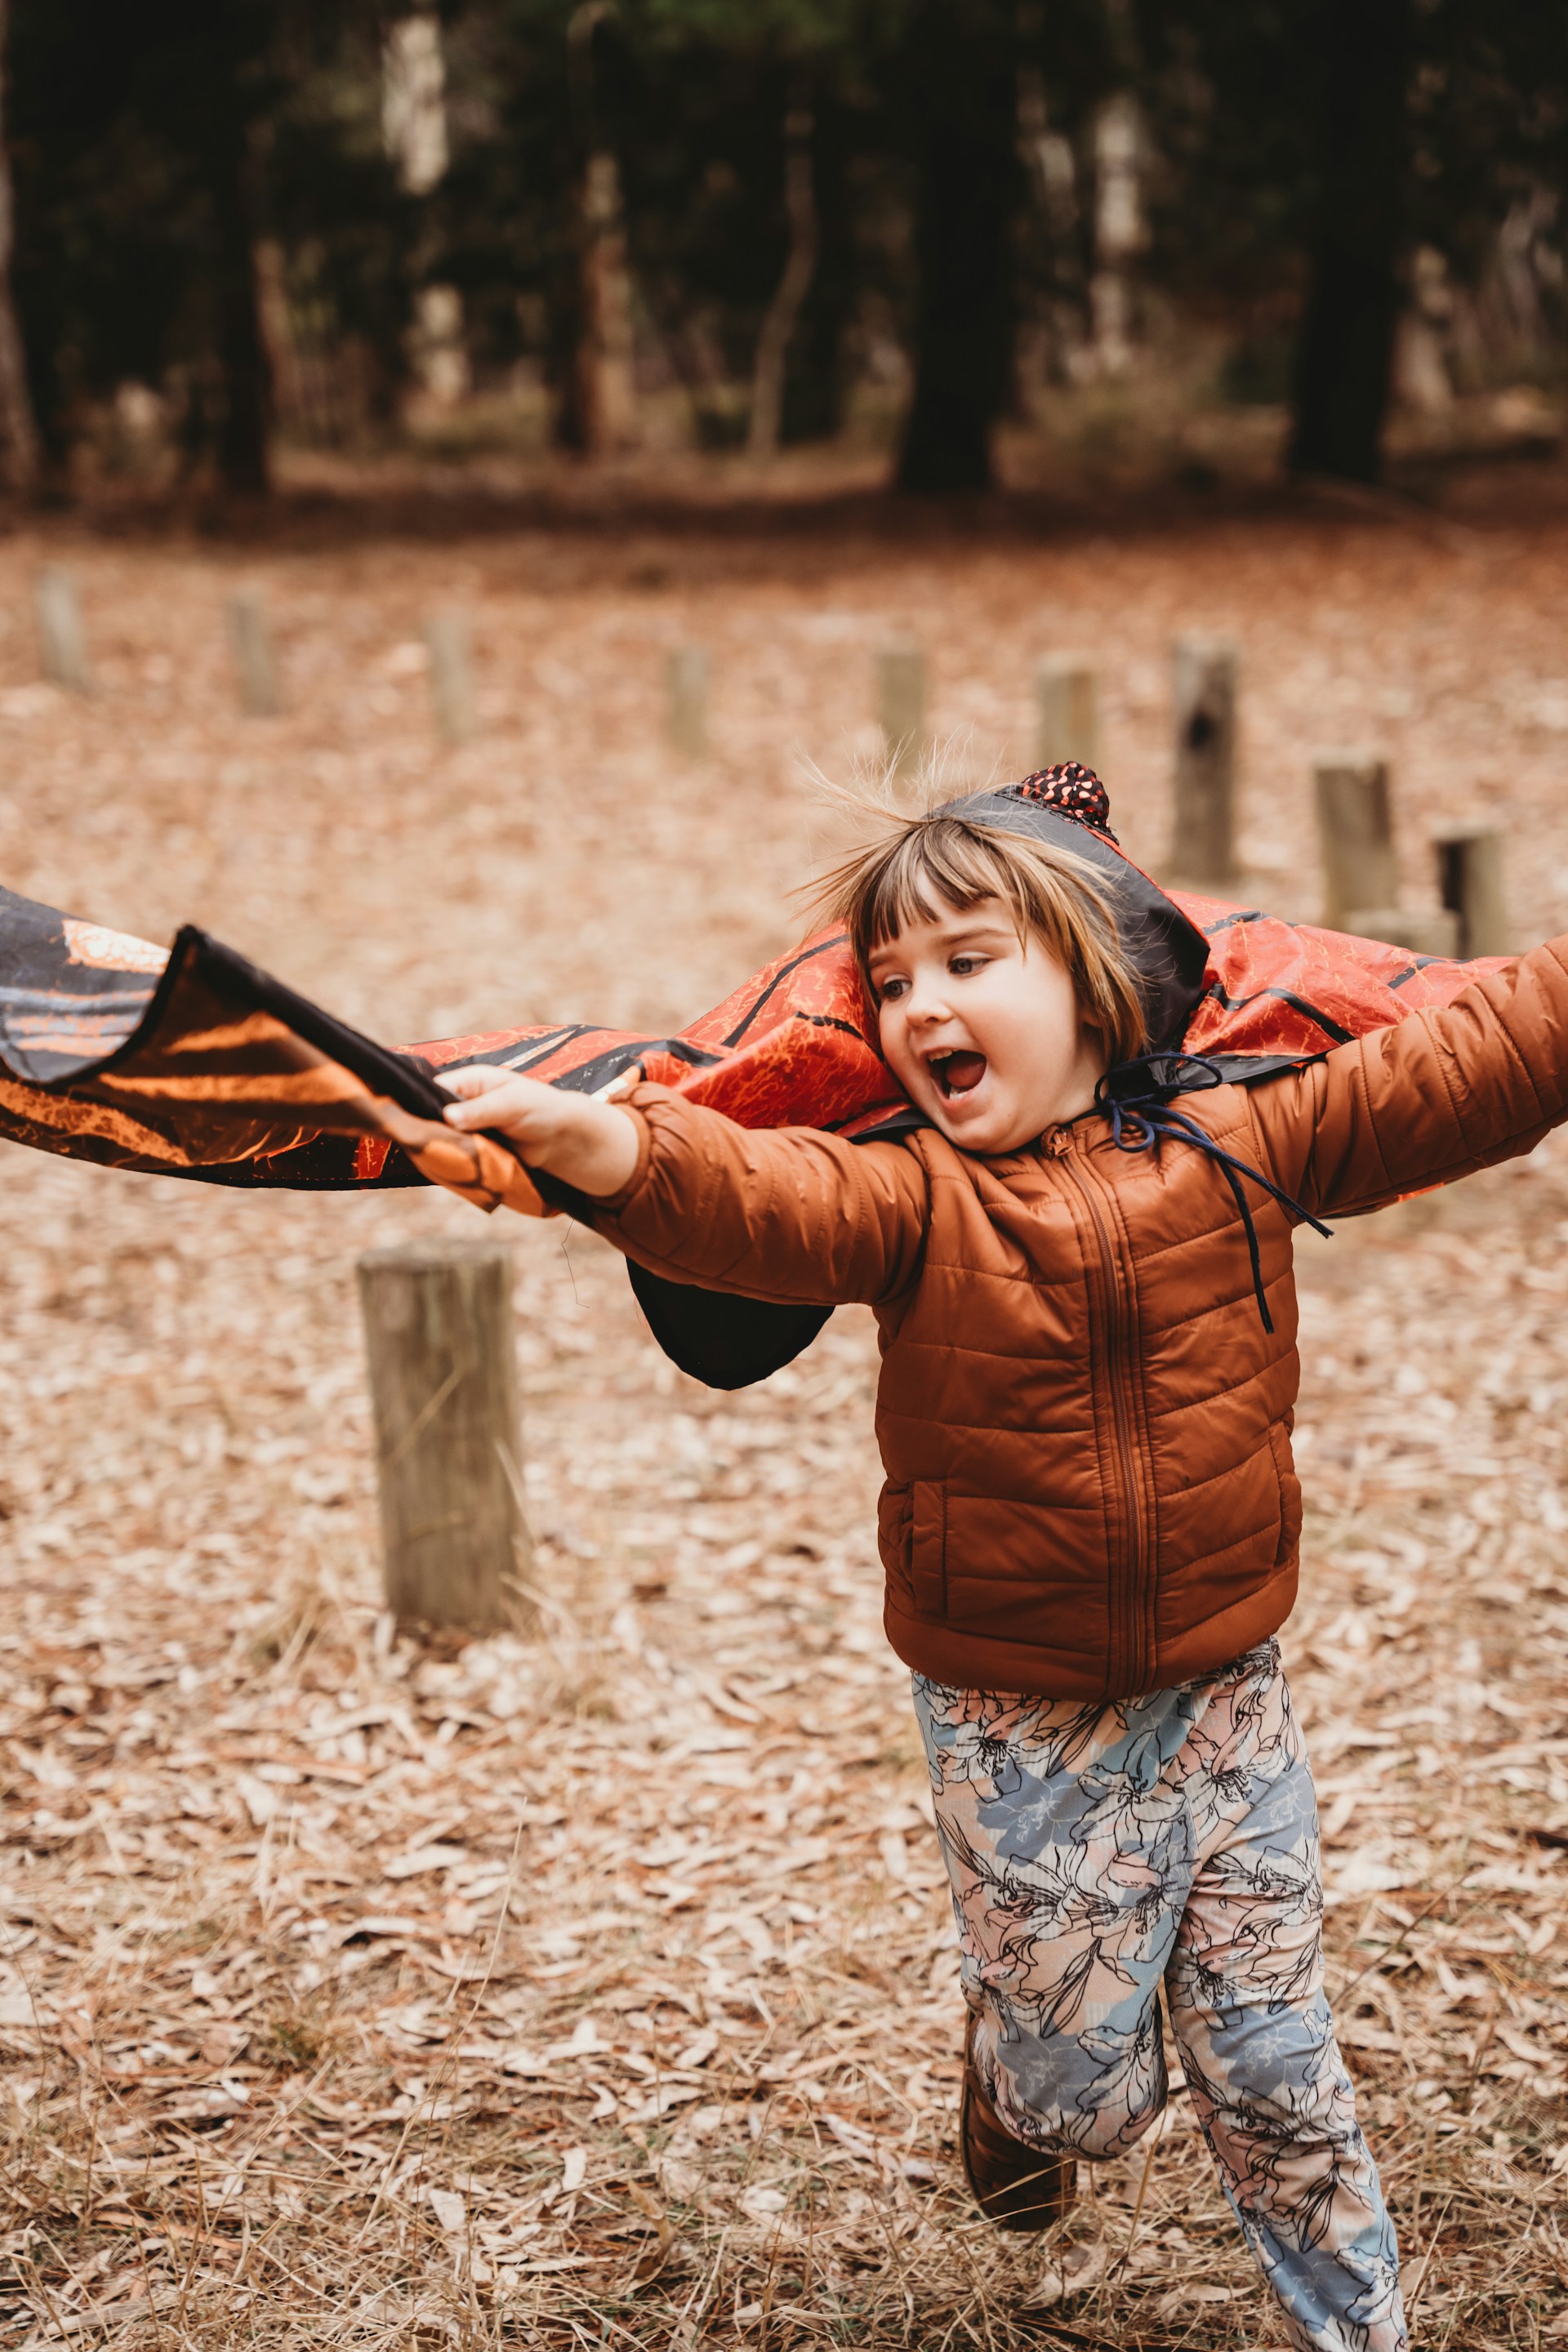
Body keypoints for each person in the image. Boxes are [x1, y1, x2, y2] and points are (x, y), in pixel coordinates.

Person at [440, 772, 1567, 2352]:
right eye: (891, 983)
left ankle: (1358, 2328)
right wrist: (603, 1148)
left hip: (1229, 1695)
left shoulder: (1259, 1143)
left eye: (970, 962)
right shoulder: (910, 1199)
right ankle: (1009, 2083)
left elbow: (1480, 1063)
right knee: (1086, 2098)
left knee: (1273, 2059)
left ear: (1098, 976)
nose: (919, 1009)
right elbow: (752, 1197)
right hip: (1016, 1723)